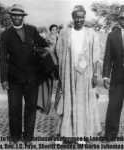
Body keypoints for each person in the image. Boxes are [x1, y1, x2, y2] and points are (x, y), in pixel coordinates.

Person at [0, 4, 48, 143]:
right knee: (14, 108)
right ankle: (15, 137)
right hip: (13, 78)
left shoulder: (31, 30)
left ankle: (28, 137)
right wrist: (4, 79)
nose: (16, 17)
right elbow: (3, 58)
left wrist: (42, 50)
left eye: (19, 15)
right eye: (13, 15)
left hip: (31, 78)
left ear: (23, 16)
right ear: (10, 16)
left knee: (30, 108)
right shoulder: (5, 34)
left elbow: (44, 44)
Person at [55, 5, 101, 144]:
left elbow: (96, 54)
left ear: (84, 17)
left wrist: (95, 75)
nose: (79, 19)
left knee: (83, 103)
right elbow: (59, 52)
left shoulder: (91, 33)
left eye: (82, 17)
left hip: (85, 75)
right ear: (72, 17)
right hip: (68, 73)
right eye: (76, 17)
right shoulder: (64, 33)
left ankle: (81, 134)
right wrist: (62, 73)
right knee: (68, 102)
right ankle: (67, 133)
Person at [103, 5, 124, 141]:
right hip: (117, 77)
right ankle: (110, 134)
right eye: (122, 18)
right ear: (119, 19)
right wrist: (105, 76)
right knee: (114, 106)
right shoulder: (112, 35)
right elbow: (107, 57)